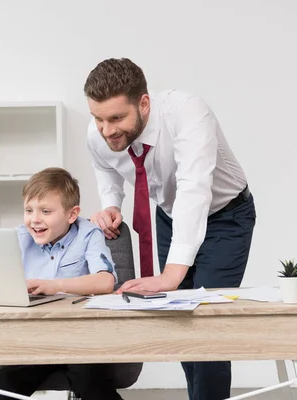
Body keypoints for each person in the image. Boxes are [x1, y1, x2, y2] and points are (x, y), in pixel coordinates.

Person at [83, 58, 257, 400]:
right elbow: (106, 169)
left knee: (206, 323)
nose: (107, 130)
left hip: (225, 215)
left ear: (144, 103)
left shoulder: (188, 113)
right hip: (169, 214)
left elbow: (194, 190)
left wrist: (170, 276)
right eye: (99, 119)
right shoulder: (98, 132)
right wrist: (112, 204)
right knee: (182, 320)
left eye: (117, 118)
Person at [0, 167, 123, 400]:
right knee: (1, 391)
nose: (34, 219)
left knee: (94, 389)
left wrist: (55, 286)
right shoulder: (18, 237)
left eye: (45, 211)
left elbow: (106, 281)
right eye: (29, 210)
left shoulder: (89, 234)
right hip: (34, 341)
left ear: (72, 215)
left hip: (80, 340)